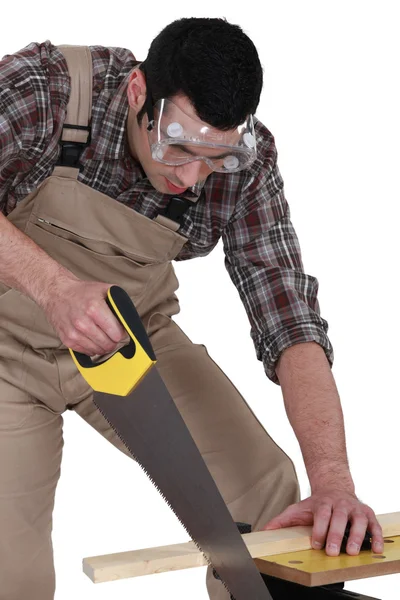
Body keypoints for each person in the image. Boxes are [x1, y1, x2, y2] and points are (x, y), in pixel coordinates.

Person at [0, 17, 383, 600]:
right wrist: (53, 287)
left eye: (215, 157)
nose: (189, 176)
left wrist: (334, 479)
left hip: (128, 341)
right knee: (13, 577)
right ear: (138, 93)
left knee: (270, 506)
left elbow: (288, 318)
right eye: (176, 146)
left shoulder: (246, 166)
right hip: (5, 348)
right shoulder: (47, 87)